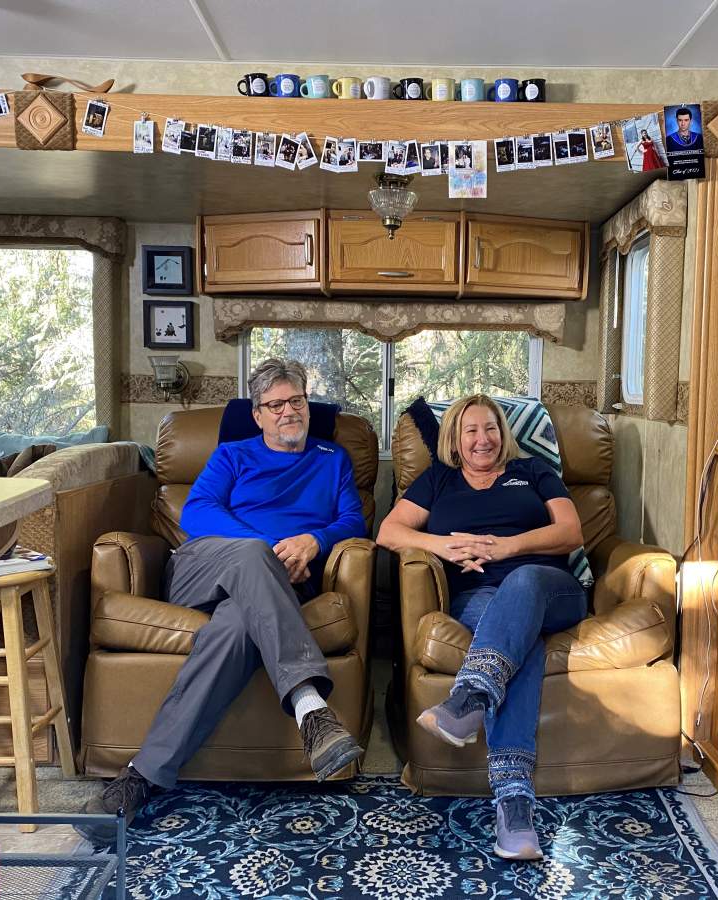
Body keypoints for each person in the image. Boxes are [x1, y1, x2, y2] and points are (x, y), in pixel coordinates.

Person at [76, 358, 367, 844]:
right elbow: (197, 511)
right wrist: (270, 549)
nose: (289, 411)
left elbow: (353, 521)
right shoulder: (233, 455)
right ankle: (309, 704)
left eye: (296, 401)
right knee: (252, 556)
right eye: (275, 404)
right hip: (205, 569)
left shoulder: (331, 459)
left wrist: (314, 541)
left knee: (234, 628)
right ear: (258, 415)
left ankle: (140, 777)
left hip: (274, 588)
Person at [376, 395, 588, 861]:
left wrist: (506, 548)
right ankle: (514, 807)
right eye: (470, 430)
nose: (482, 439)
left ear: (503, 432)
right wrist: (444, 546)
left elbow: (571, 532)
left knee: (523, 582)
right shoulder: (439, 480)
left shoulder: (533, 471)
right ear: (454, 439)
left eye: (490, 428)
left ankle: (470, 696)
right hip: (479, 600)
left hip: (550, 588)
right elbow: (389, 532)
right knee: (522, 642)